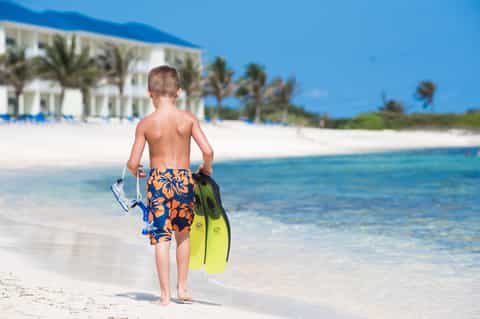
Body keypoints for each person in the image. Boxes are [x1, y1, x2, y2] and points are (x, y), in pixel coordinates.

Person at [126, 65, 214, 305]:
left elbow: (133, 163)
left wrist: (136, 170)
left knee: (162, 237)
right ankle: (182, 289)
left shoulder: (146, 123)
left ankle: (164, 296)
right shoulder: (188, 119)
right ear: (179, 91)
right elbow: (208, 150)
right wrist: (206, 169)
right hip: (184, 180)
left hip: (159, 182)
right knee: (183, 235)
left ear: (149, 92)